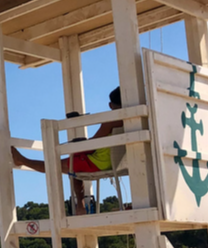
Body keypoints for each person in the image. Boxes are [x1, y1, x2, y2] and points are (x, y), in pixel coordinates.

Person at [10, 87, 125, 215]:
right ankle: (80, 205)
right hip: (116, 162)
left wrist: (81, 144)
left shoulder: (110, 122)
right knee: (73, 162)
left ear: (111, 105)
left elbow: (92, 145)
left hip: (98, 162)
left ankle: (23, 161)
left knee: (57, 165)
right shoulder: (129, 121)